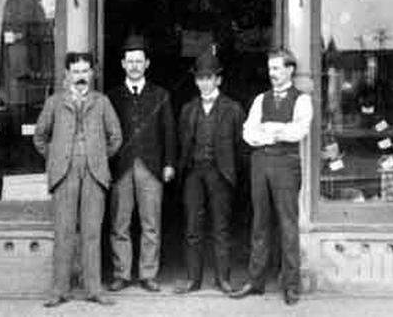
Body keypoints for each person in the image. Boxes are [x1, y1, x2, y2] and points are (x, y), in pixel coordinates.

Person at [33, 51, 123, 308]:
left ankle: (93, 289)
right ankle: (59, 290)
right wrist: (56, 158)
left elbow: (115, 136)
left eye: (85, 71)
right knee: (63, 232)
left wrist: (98, 158)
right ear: (67, 75)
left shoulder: (102, 102)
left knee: (92, 233)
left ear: (92, 74)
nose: (81, 76)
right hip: (64, 173)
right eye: (76, 71)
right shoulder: (54, 103)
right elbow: (39, 137)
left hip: (95, 174)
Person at [230, 47, 314, 305]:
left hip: (286, 164)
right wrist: (273, 132)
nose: (272, 73)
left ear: (290, 69)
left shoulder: (302, 99)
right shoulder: (260, 99)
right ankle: (256, 281)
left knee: (288, 224)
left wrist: (271, 129)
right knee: (260, 223)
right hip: (260, 163)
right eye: (270, 69)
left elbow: (298, 131)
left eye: (277, 68)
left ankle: (291, 285)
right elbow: (248, 133)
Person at [106, 34, 177, 293]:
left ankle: (148, 273)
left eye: (139, 61)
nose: (134, 66)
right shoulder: (112, 96)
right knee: (120, 223)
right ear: (123, 64)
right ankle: (121, 273)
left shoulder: (161, 95)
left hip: (151, 167)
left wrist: (169, 163)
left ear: (147, 64)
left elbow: (169, 131)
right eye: (130, 61)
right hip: (121, 167)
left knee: (151, 223)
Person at [174, 52, 245, 295]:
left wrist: (232, 173)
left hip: (220, 173)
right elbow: (182, 143)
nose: (204, 82)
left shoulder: (233, 109)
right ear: (195, 81)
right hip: (193, 173)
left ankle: (222, 279)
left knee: (220, 228)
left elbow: (240, 147)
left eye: (209, 77)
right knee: (193, 227)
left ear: (218, 80)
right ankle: (194, 280)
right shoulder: (188, 109)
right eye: (200, 78)